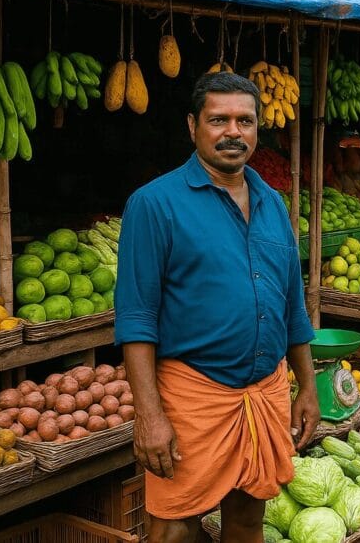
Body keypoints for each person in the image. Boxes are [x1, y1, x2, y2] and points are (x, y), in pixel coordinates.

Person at [115, 72, 319, 542]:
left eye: (244, 121)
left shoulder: (272, 203)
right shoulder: (154, 204)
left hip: (265, 392)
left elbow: (292, 306)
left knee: (249, 518)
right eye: (219, 120)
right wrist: (149, 415)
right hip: (192, 395)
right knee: (173, 528)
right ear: (193, 126)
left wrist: (306, 385)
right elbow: (136, 319)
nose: (233, 132)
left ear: (257, 128)